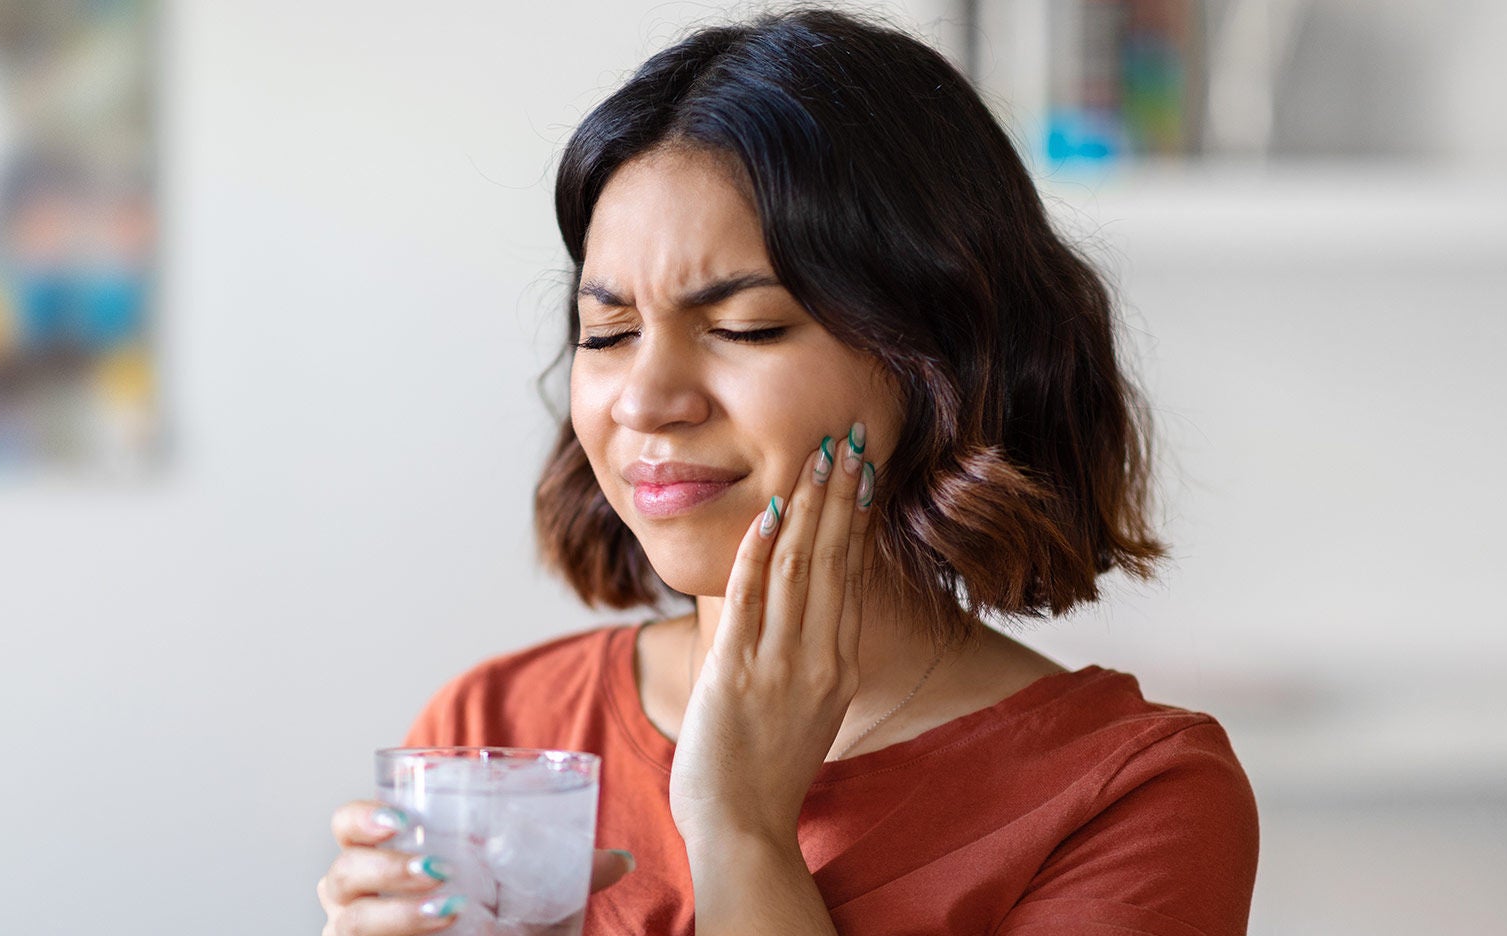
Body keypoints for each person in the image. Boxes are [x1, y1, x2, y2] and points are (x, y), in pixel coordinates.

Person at [318, 8, 1258, 935]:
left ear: (939, 356)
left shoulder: (1133, 795)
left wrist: (741, 832)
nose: (645, 400)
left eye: (745, 328)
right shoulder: (494, 727)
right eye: (607, 334)